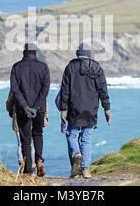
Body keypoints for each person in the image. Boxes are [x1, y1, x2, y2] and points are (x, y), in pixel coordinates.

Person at [59, 43, 112, 179]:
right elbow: (103, 90)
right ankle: (86, 170)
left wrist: (64, 109)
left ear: (77, 54)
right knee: (86, 139)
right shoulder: (97, 68)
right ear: (89, 54)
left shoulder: (70, 67)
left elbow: (65, 91)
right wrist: (107, 108)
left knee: (72, 135)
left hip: (74, 108)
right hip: (91, 109)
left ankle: (76, 154)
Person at [10, 43, 50, 176]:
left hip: (22, 110)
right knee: (38, 134)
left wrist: (26, 107)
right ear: (35, 53)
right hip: (39, 109)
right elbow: (45, 89)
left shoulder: (16, 67)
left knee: (25, 141)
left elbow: (15, 90)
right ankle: (39, 160)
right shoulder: (43, 67)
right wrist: (37, 106)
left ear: (24, 52)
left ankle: (28, 171)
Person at [6, 91, 49, 172]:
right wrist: (46, 115)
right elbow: (43, 99)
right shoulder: (38, 83)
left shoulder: (17, 82)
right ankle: (33, 165)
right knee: (31, 143)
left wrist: (10, 111)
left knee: (21, 143)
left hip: (19, 115)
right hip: (36, 114)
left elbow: (10, 101)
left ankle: (22, 165)